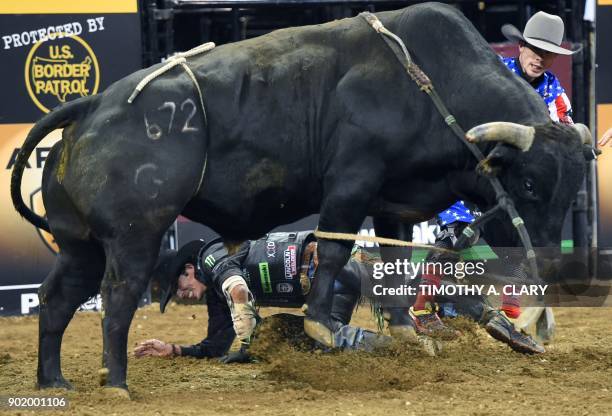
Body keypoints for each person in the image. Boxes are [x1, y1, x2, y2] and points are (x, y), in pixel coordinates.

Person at [409, 11, 581, 354]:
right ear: (521, 46)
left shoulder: (555, 93)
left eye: (548, 54)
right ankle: (421, 307)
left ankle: (510, 316)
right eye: (535, 49)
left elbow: (566, 139)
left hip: (514, 185)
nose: (540, 59)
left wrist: (586, 150)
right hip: (474, 172)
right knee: (453, 233)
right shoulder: (492, 74)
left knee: (522, 237)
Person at [134, 231, 391, 362]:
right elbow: (215, 346)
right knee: (275, 333)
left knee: (404, 294)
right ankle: (402, 351)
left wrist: (248, 345)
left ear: (189, 269)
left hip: (325, 260)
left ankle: (415, 326)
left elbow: (238, 290)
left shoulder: (211, 256)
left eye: (178, 287)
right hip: (321, 290)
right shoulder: (216, 293)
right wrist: (175, 350)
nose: (181, 295)